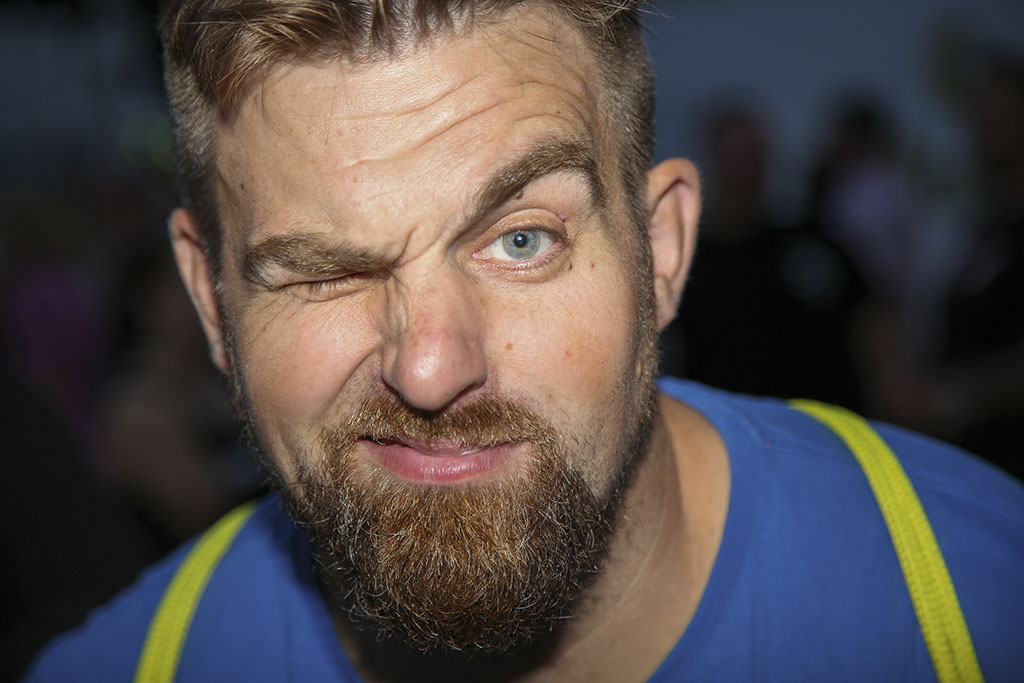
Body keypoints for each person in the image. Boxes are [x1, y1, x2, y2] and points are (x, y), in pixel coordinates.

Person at [28, 1, 1024, 681]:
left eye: (521, 239)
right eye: (324, 270)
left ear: (662, 250)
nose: (429, 367)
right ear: (210, 299)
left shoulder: (982, 600)